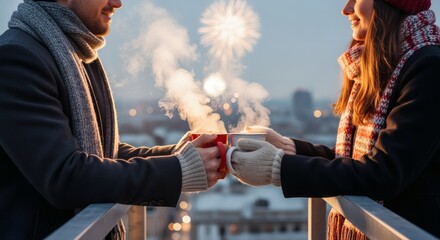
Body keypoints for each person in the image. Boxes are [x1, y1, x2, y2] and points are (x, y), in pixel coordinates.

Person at [0, 0, 226, 239]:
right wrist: (179, 170)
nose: (117, 3)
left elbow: (103, 156)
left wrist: (179, 154)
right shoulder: (16, 58)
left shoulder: (76, 55)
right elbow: (65, 176)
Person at [228, 0, 440, 239]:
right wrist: (288, 148)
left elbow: (383, 173)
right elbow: (353, 161)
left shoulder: (429, 67)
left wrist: (278, 167)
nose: (346, 8)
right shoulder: (392, 65)